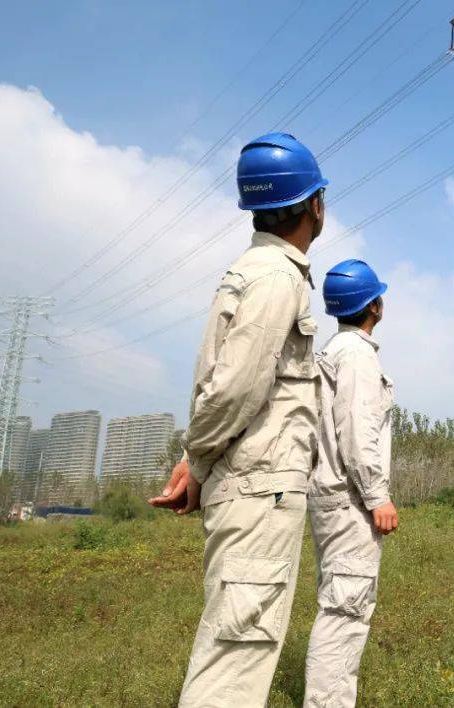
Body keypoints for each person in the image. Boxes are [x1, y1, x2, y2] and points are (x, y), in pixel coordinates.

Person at [149, 132, 327, 706]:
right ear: (314, 205)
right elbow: (236, 388)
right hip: (259, 490)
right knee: (234, 662)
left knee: (234, 643)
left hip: (246, 484)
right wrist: (195, 461)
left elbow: (220, 386)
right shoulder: (277, 279)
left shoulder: (252, 271)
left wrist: (195, 460)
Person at [304, 258, 397, 707]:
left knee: (337, 601)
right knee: (345, 611)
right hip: (349, 501)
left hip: (327, 498)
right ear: (374, 305)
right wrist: (377, 496)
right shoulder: (358, 355)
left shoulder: (332, 351)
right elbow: (358, 432)